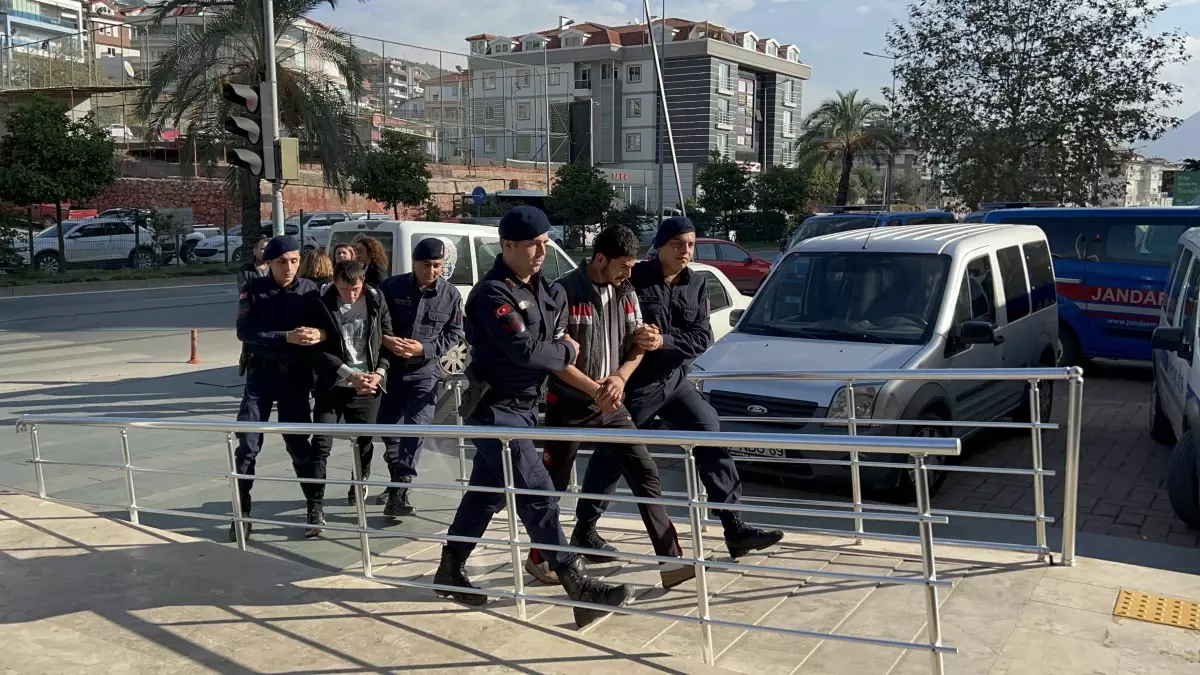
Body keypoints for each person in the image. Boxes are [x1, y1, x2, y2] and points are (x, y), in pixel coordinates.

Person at [433, 206, 629, 628]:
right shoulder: (491, 294)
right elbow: (528, 351)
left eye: (544, 243)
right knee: (538, 491)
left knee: (485, 493)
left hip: (525, 410)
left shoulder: (548, 291)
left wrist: (554, 350)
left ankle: (451, 567)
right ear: (507, 246)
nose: (542, 251)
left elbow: (546, 346)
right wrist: (564, 351)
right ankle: (576, 582)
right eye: (532, 245)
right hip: (494, 411)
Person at [583, 217, 784, 560]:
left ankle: (734, 528)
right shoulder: (634, 277)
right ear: (659, 246)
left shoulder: (697, 284)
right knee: (614, 454)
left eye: (690, 244)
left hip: (676, 382)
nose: (685, 251)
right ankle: (584, 530)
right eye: (678, 244)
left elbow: (702, 337)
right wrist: (635, 339)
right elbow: (611, 320)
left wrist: (664, 341)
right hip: (637, 384)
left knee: (710, 433)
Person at [532, 224, 694, 590]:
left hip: (612, 400)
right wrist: (593, 388)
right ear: (600, 259)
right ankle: (539, 558)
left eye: (632, 266)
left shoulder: (627, 292)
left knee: (644, 471)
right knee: (554, 485)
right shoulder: (563, 292)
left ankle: (671, 561)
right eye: (623, 265)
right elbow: (555, 357)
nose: (629, 273)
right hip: (569, 402)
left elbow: (638, 343)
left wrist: (620, 377)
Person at [232, 235, 325, 542]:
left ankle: (314, 507)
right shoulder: (254, 290)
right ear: (269, 263)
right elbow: (245, 331)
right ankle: (241, 511)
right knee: (248, 445)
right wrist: (285, 337)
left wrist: (317, 334)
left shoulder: (310, 290)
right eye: (282, 262)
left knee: (299, 444)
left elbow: (327, 326)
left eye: (295, 261)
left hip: (295, 378)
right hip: (261, 376)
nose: (289, 267)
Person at [373, 237, 464, 517]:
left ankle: (400, 489)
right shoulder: (391, 287)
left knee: (416, 428)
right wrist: (387, 341)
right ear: (415, 263)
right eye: (427, 265)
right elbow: (373, 322)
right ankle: (395, 478)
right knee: (388, 428)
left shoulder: (451, 295)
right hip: (391, 370)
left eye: (438, 265)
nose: (432, 271)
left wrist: (424, 348)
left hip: (425, 372)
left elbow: (454, 334)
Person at [305, 260, 394, 537]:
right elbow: (317, 351)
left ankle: (359, 484)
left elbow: (387, 340)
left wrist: (379, 374)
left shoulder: (377, 299)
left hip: (368, 385)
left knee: (364, 444)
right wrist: (347, 373)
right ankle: (315, 507)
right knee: (321, 445)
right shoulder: (320, 301)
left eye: (355, 289)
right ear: (334, 282)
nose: (351, 295)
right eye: (344, 289)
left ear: (363, 281)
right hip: (333, 384)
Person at [237, 237, 271, 377]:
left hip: (270, 316)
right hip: (252, 316)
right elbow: (244, 292)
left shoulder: (275, 267)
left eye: (267, 249)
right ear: (255, 251)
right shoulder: (246, 270)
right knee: (251, 348)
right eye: (262, 248)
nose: (265, 252)